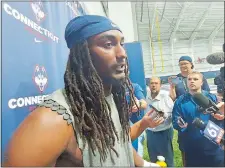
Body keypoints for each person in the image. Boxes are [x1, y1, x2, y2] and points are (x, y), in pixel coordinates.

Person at [3, 15, 162, 167]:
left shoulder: (111, 98)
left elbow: (119, 141)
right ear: (82, 53)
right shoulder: (53, 119)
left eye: (122, 44)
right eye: (108, 44)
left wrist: (144, 164)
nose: (122, 54)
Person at [172, 71, 224, 167]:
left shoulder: (211, 97)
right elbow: (175, 120)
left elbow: (220, 118)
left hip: (213, 146)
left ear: (202, 82)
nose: (192, 81)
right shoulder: (180, 101)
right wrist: (180, 124)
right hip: (192, 147)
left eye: (195, 79)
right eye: (189, 79)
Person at [168, 55, 210, 166]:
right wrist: (172, 87)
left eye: (185, 63)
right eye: (181, 64)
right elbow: (173, 98)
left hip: (201, 112)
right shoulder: (177, 79)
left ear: (191, 64)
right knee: (187, 154)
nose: (183, 66)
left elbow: (207, 95)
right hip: (184, 111)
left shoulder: (199, 76)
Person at [145, 77, 174, 167]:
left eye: (156, 83)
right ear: (149, 85)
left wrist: (163, 115)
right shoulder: (146, 96)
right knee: (153, 158)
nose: (154, 85)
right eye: (152, 83)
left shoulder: (165, 96)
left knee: (167, 158)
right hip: (150, 132)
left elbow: (172, 114)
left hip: (164, 131)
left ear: (160, 85)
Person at [127, 82, 147, 157]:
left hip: (136, 126)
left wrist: (138, 104)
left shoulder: (134, 87)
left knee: (137, 152)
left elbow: (144, 103)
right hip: (121, 127)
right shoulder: (113, 88)